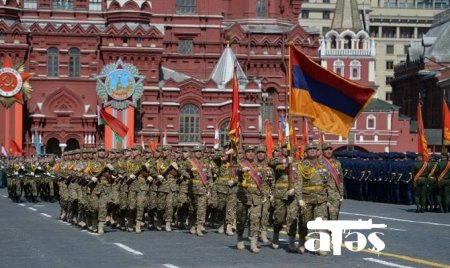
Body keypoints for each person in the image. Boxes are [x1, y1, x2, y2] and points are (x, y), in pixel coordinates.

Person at [236, 145, 265, 253]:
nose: (251, 153)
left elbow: (263, 181)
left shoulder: (259, 165)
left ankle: (253, 243)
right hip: (243, 196)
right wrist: (241, 170)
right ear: (245, 153)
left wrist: (265, 195)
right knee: (241, 219)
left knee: (255, 220)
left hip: (256, 197)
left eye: (253, 151)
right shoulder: (240, 164)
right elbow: (236, 172)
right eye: (248, 152)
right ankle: (239, 238)